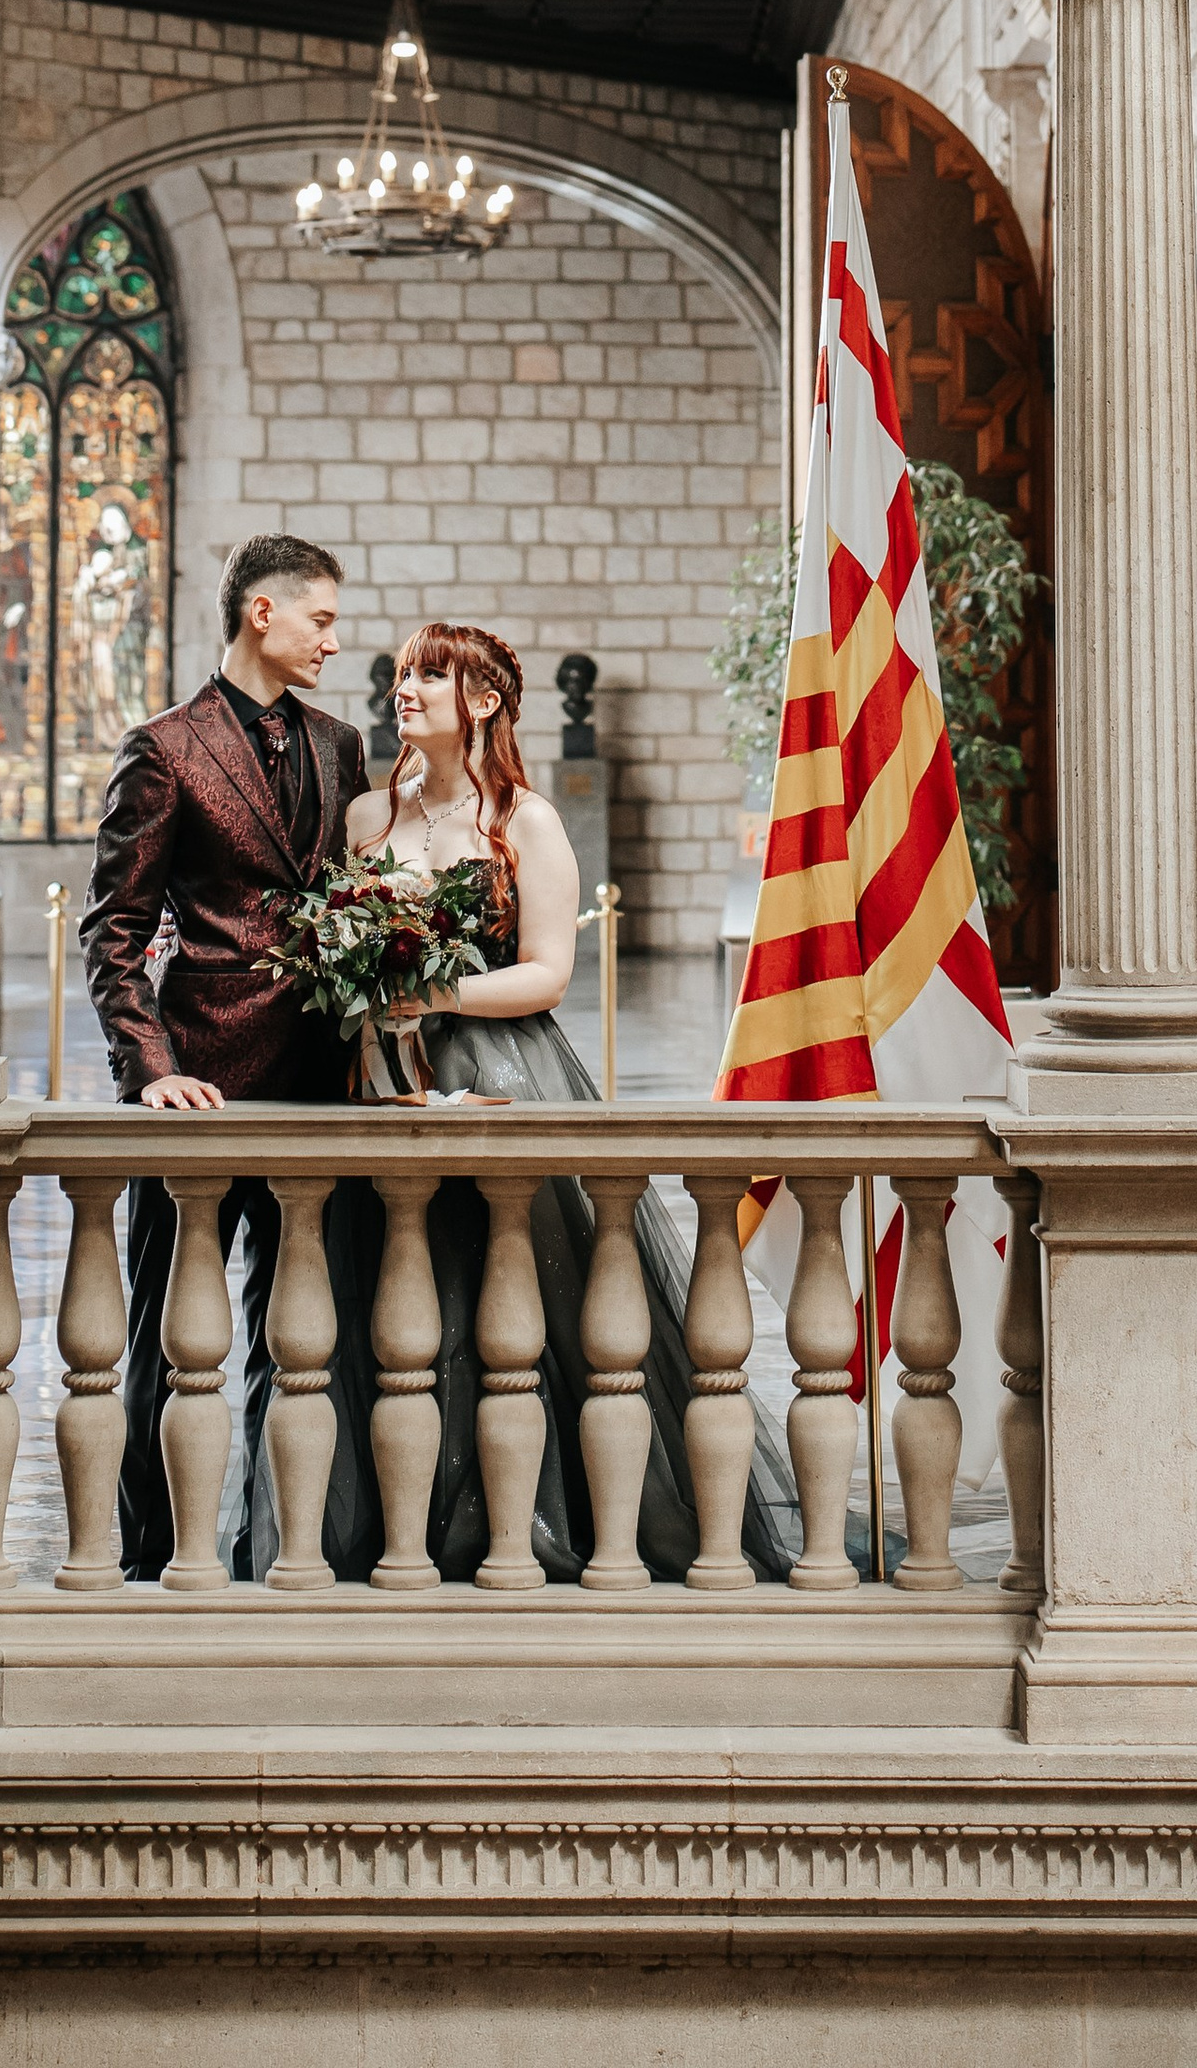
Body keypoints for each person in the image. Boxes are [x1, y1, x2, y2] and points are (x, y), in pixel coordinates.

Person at [297, 621, 800, 1586]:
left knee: (513, 1292)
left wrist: (433, 994)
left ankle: (525, 1512)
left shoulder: (527, 822)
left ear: (481, 702)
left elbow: (548, 975)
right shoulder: (366, 820)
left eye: (431, 677)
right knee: (397, 1289)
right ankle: (404, 1517)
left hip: (502, 1074)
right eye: (404, 674)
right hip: (384, 1083)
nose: (408, 690)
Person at [81, 529, 365, 1578]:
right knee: (171, 1338)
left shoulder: (339, 747)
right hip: (195, 1086)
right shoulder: (162, 747)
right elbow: (113, 931)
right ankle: (158, 1552)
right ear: (262, 612)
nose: (333, 641)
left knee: (301, 1337)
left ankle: (280, 1546)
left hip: (318, 1086)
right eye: (321, 619)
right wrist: (151, 1072)